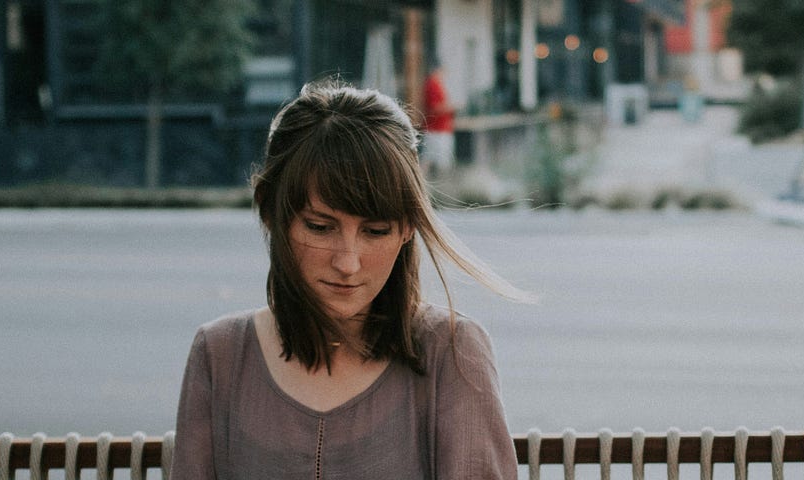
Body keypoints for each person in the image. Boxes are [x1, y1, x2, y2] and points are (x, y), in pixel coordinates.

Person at [171, 80, 533, 479]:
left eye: (375, 231)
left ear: (408, 228)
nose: (347, 262)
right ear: (270, 213)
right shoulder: (219, 355)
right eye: (320, 227)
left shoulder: (452, 353)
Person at [422, 64, 457, 176]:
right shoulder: (432, 84)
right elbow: (435, 108)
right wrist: (451, 107)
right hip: (436, 129)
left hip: (440, 128)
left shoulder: (436, 84)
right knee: (436, 158)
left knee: (431, 157)